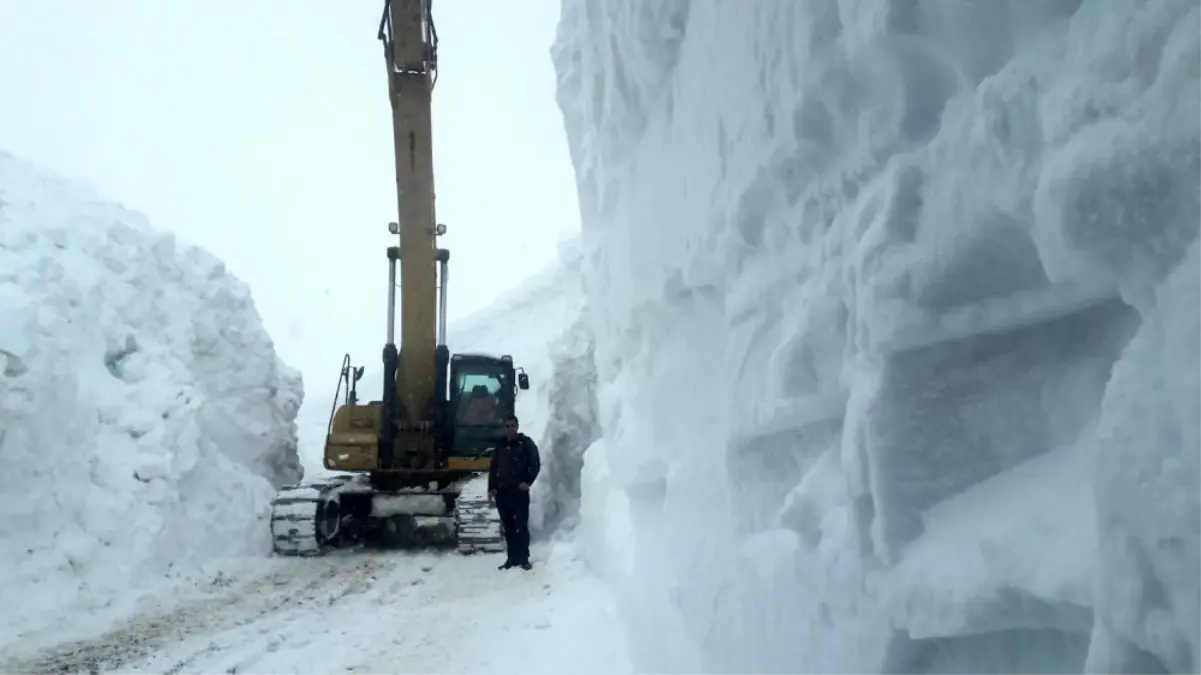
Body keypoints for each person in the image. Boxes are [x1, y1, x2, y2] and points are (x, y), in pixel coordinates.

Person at [487, 413, 540, 570]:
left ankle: (524, 558)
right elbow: (493, 468)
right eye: (507, 426)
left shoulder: (525, 444)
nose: (510, 429)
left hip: (519, 492)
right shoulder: (500, 446)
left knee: (520, 526)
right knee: (508, 527)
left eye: (512, 426)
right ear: (504, 428)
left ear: (517, 427)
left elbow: (535, 464)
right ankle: (512, 558)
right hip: (503, 493)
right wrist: (491, 488)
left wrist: (527, 482)